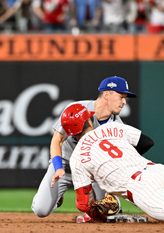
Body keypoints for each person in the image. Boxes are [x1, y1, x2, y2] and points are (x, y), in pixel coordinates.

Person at [31, 76, 154, 222]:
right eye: (121, 96)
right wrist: (57, 167)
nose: (124, 102)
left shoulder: (117, 127)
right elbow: (56, 140)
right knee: (41, 210)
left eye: (125, 98)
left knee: (102, 212)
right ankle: (57, 198)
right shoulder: (77, 109)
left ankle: (114, 203)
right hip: (64, 166)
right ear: (107, 94)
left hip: (92, 173)